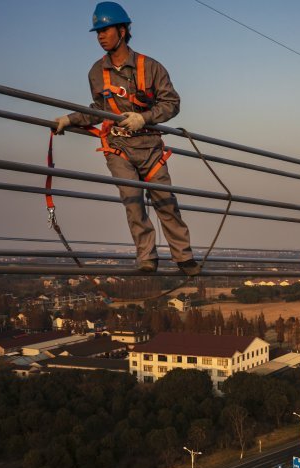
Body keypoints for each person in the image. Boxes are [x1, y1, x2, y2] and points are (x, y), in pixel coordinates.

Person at [54, 2, 199, 275]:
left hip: (150, 146)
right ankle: (147, 258)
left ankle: (184, 257)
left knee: (165, 201)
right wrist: (70, 119)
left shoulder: (150, 67)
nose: (100, 36)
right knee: (133, 201)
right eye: (97, 32)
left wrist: (146, 117)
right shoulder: (97, 72)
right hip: (118, 146)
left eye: (105, 29)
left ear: (122, 30)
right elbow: (98, 109)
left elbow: (172, 103)